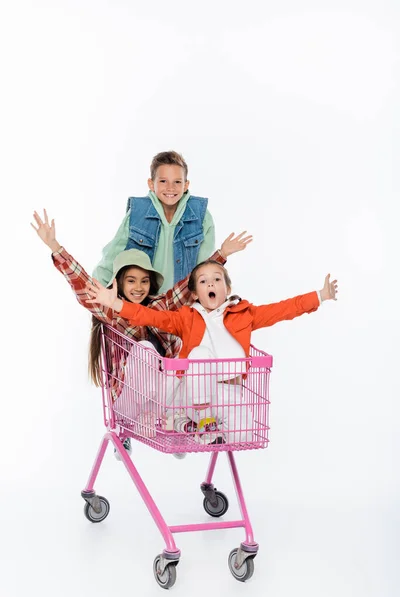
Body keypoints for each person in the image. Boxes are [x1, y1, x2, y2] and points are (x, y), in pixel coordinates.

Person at [31, 210, 252, 455]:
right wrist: (55, 246)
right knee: (146, 350)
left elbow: (190, 286)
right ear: (119, 282)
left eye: (144, 281)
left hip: (162, 396)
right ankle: (147, 423)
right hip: (130, 401)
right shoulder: (111, 308)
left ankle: (178, 424)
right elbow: (82, 284)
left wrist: (221, 255)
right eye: (132, 281)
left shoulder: (160, 305)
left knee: (192, 360)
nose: (138, 288)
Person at [85, 260, 338, 446]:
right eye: (204, 281)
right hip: (190, 391)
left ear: (227, 287)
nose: (211, 284)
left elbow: (283, 309)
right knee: (200, 354)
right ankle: (196, 420)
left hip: (227, 393)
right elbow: (150, 316)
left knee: (244, 435)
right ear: (195, 293)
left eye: (217, 279)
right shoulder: (186, 317)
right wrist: (115, 304)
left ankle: (185, 424)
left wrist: (320, 296)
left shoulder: (245, 314)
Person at [93, 150, 215, 293]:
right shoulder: (138, 213)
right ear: (151, 184)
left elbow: (204, 266)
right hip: (143, 301)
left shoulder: (201, 215)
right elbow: (112, 257)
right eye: (163, 181)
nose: (171, 187)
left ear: (186, 185)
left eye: (177, 182)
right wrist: (98, 291)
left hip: (182, 302)